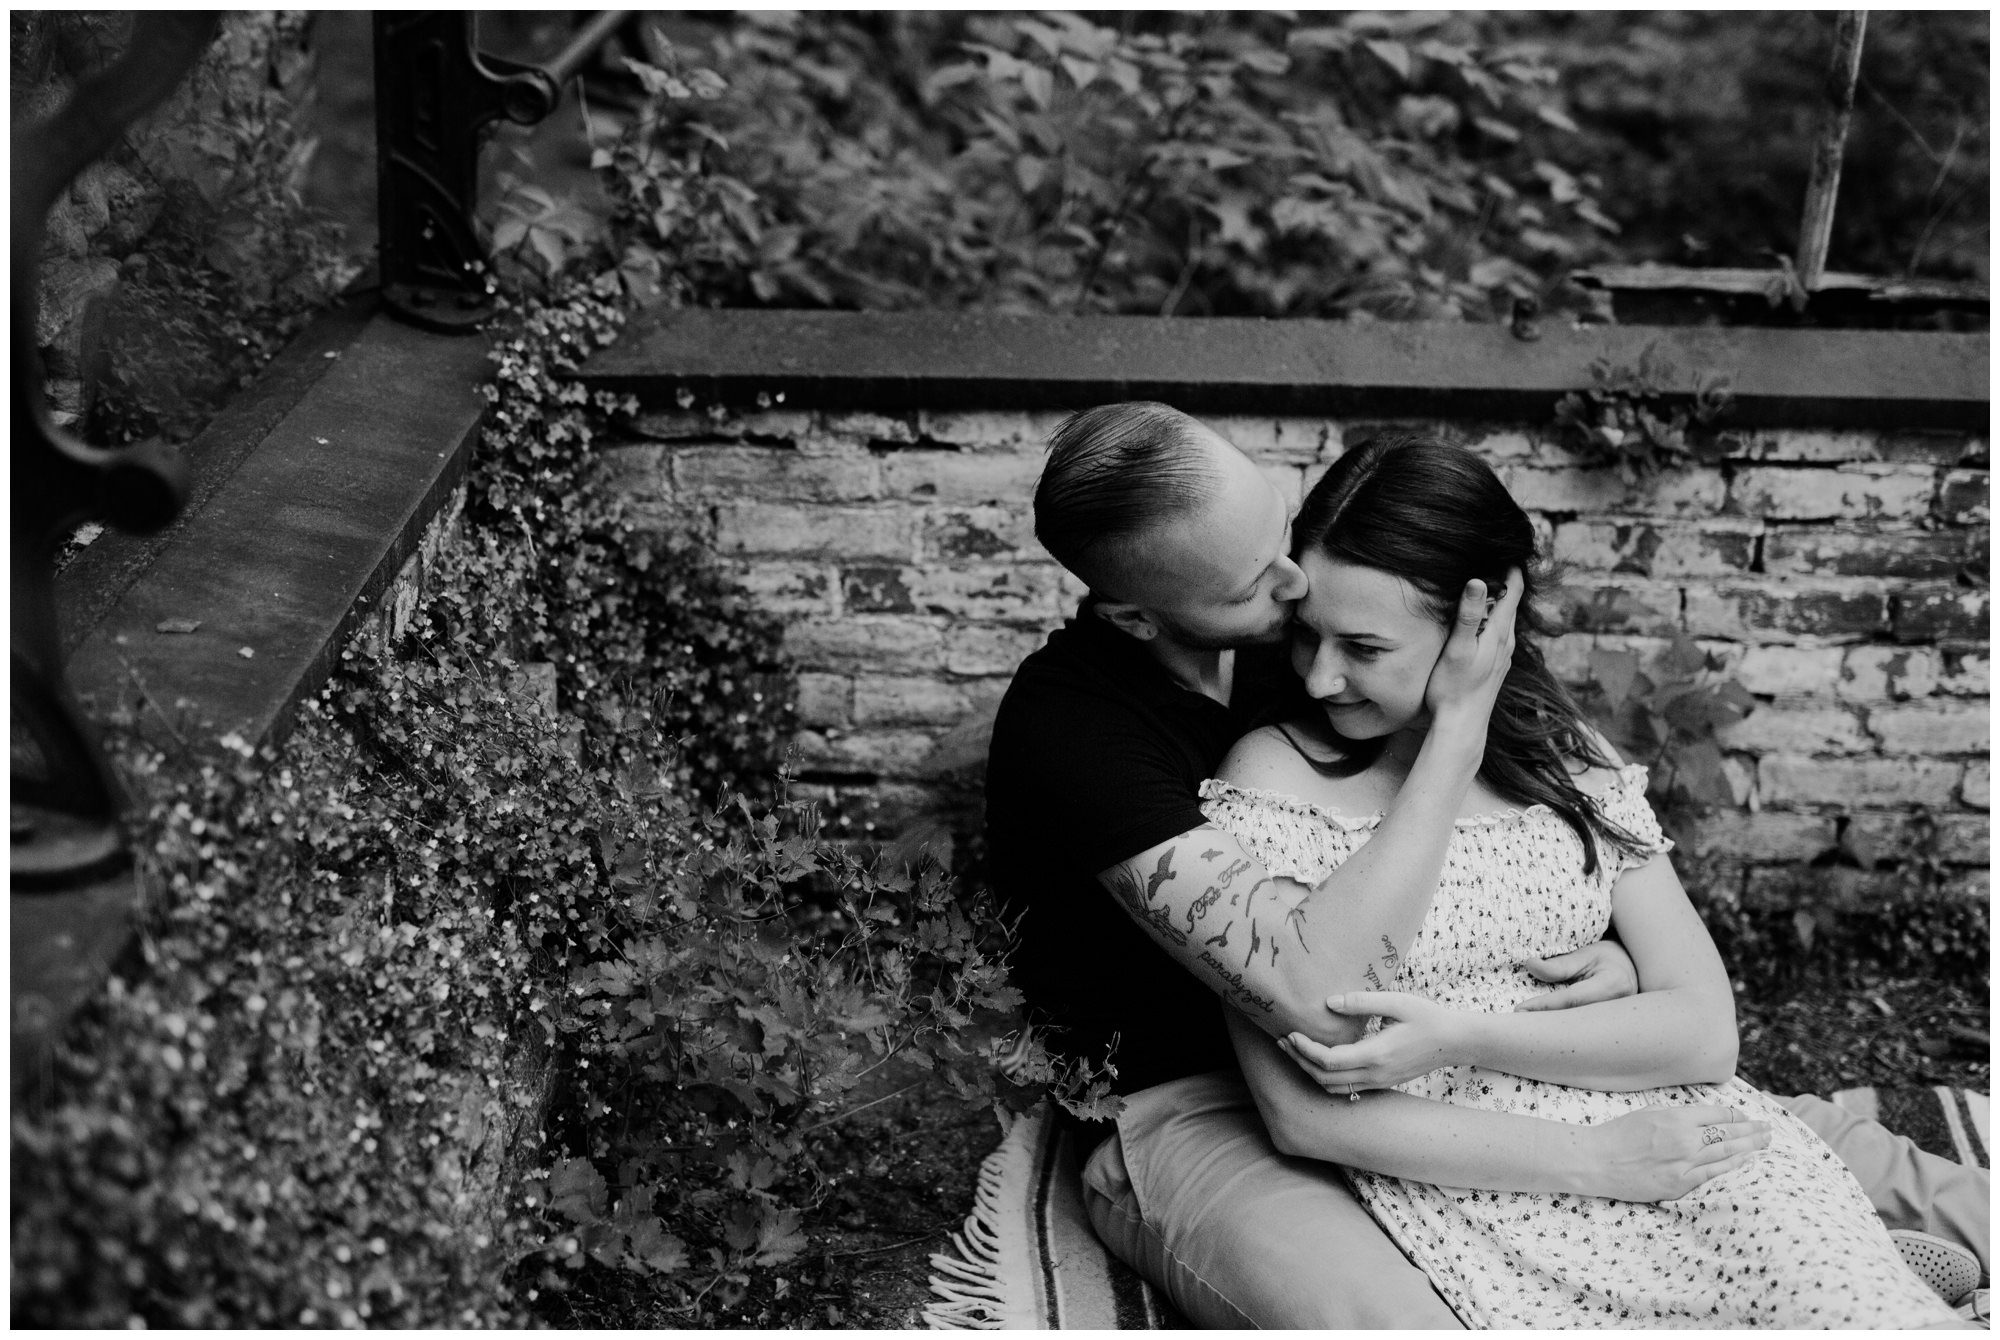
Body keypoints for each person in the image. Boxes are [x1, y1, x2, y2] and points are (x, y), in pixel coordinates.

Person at [983, 401, 1989, 1327]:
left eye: (1282, 533)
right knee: (1401, 1317)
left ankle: (1856, 1253)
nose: (1295, 589)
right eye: (1256, 584)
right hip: (1198, 1096)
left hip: (1457, 1048)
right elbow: (1316, 1007)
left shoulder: (1309, 622)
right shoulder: (1078, 735)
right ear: (1136, 616)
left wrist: (1613, 954)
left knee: (1787, 1150)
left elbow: (1655, 986)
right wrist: (1458, 728)